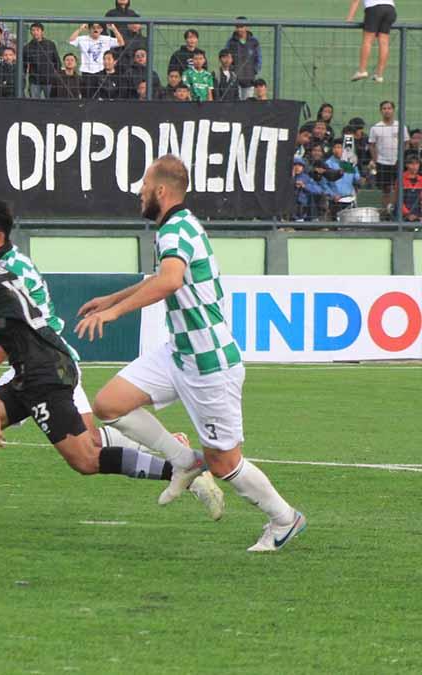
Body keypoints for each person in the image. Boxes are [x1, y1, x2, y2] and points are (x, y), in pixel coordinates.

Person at [0, 217, 222, 542]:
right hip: (34, 369)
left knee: (86, 459)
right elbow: (10, 315)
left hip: (44, 373)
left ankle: (183, 471)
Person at [75, 156, 305, 552]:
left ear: (161, 191)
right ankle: (183, 459)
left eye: (144, 187)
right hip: (178, 353)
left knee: (225, 463)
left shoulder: (175, 229)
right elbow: (165, 278)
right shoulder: (177, 227)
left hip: (209, 363)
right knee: (110, 404)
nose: (140, 194)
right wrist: (111, 297)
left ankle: (285, 518)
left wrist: (114, 313)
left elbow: (168, 282)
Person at [369, 100, 407, 211]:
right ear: (380, 111)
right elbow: (372, 145)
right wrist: (375, 160)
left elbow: (405, 143)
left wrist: (401, 158)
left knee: (398, 188)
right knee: (385, 189)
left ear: (393, 110)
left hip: (397, 162)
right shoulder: (375, 127)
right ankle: (386, 212)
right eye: (384, 108)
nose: (387, 111)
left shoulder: (400, 126)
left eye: (389, 108)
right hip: (382, 162)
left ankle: (396, 211)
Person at [68, 23, 123, 99]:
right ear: (89, 29)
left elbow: (121, 42)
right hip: (86, 73)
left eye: (98, 27)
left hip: (101, 73)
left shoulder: (106, 39)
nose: (95, 29)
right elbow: (71, 40)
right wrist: (80, 29)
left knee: (101, 96)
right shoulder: (83, 39)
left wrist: (114, 29)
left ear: (101, 30)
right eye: (93, 27)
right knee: (86, 97)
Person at [348, 0, 396, 82]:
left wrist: (350, 18)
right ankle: (379, 75)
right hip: (390, 9)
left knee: (368, 40)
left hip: (374, 8)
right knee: (384, 42)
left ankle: (362, 70)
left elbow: (356, 1)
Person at [225, 17, 262, 100]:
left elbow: (259, 57)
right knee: (236, 103)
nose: (239, 29)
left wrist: (255, 70)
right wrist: (231, 71)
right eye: (237, 27)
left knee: (247, 104)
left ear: (247, 27)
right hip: (235, 79)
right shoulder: (231, 42)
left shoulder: (254, 41)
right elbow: (226, 57)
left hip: (249, 79)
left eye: (242, 26)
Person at [21, 22, 60, 99]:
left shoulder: (50, 44)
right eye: (33, 30)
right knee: (34, 104)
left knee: (52, 103)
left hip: (50, 80)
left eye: (37, 30)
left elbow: (57, 61)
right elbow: (24, 66)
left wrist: (57, 77)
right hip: (34, 81)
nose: (35, 32)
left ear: (42, 31)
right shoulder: (26, 47)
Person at [324, 138, 361, 217]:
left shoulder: (350, 162)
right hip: (334, 201)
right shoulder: (328, 164)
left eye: (340, 147)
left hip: (350, 199)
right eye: (335, 147)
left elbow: (357, 179)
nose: (337, 150)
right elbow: (324, 183)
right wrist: (332, 194)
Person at [292, 157, 326, 221]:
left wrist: (304, 186)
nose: (297, 167)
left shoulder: (307, 178)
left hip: (305, 208)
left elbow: (319, 190)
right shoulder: (288, 177)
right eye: (295, 165)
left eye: (300, 165)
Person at [401, 155, 422, 221]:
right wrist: (407, 214)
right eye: (412, 163)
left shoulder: (421, 179)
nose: (414, 166)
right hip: (403, 214)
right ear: (407, 165)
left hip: (418, 213)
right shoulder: (401, 179)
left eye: (417, 163)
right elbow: (398, 201)